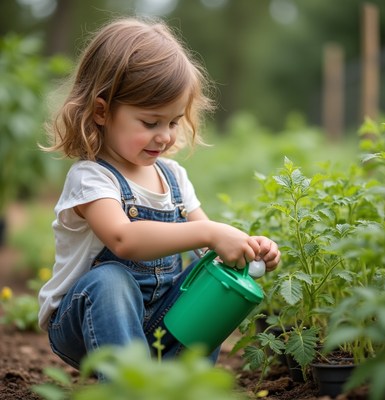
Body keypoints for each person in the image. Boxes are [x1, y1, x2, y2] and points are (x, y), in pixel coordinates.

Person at [38, 17, 281, 371]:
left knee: (210, 272)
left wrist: (245, 247)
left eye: (172, 122)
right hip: (86, 322)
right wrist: (212, 232)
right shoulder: (91, 179)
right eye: (150, 123)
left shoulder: (174, 176)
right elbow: (124, 239)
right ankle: (131, 389)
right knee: (112, 279)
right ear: (102, 111)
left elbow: (206, 245)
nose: (165, 136)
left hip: (159, 323)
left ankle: (184, 382)